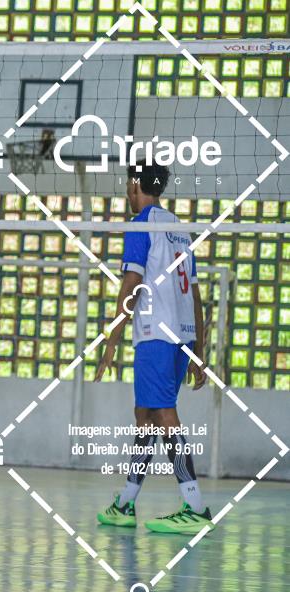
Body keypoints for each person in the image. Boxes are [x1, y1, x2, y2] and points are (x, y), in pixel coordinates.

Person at [94, 162, 213, 535]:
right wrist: (198, 350)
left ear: (135, 185)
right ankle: (125, 503)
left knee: (162, 415)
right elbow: (195, 293)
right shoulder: (179, 228)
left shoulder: (141, 223)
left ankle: (195, 506)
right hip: (182, 334)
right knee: (145, 414)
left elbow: (131, 283)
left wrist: (111, 341)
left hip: (155, 335)